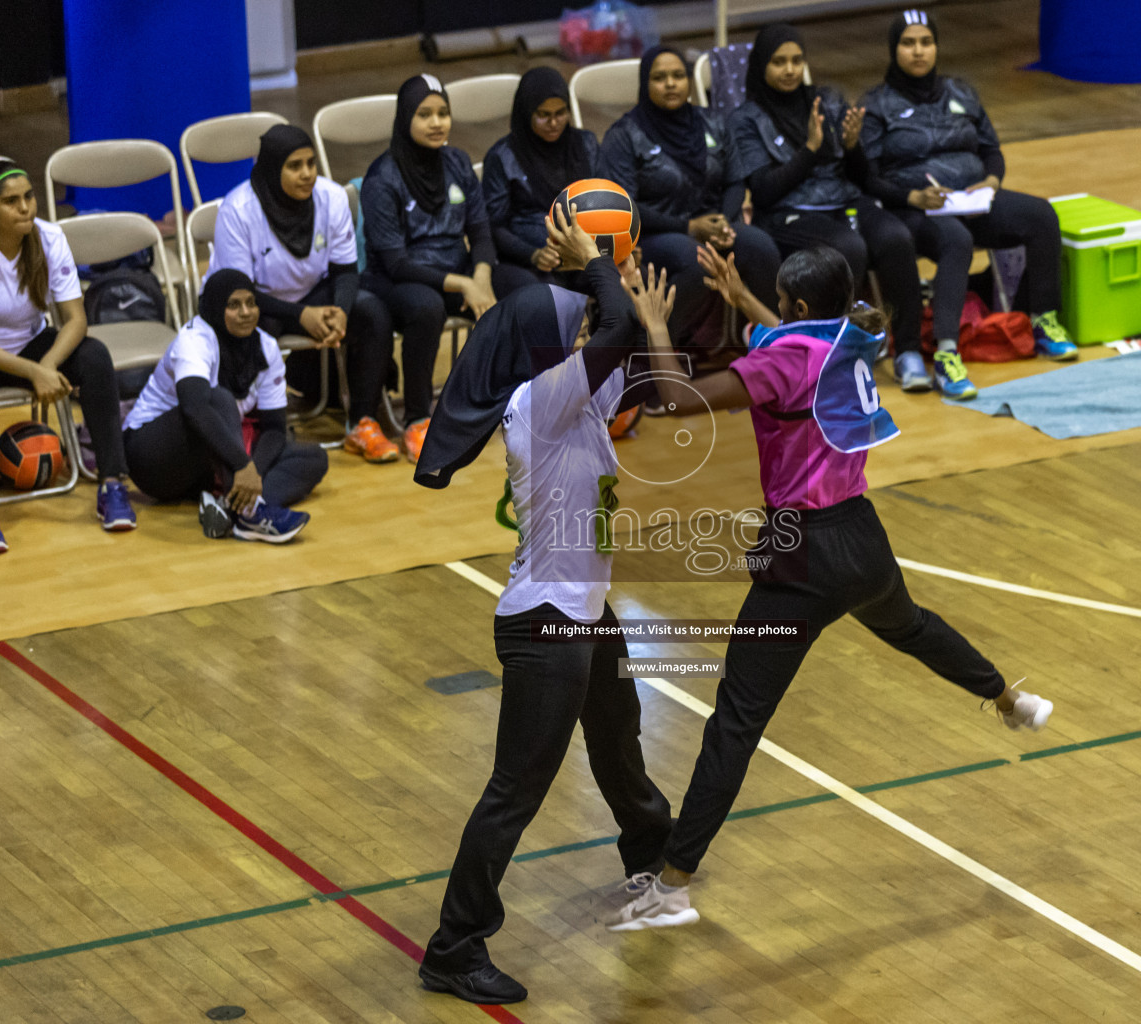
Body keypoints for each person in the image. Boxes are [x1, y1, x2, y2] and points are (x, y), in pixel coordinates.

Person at [609, 244, 1054, 930]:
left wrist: (656, 325)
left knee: (736, 722)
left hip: (803, 557)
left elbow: (677, 398)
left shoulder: (788, 356)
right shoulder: (854, 335)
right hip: (862, 539)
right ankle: (1008, 698)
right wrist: (745, 302)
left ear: (800, 308)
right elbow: (792, 342)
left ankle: (671, 887)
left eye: (782, 304)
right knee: (911, 627)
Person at [411, 210, 671, 1005]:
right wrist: (596, 263)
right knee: (515, 791)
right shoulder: (542, 402)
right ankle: (454, 948)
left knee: (621, 749)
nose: (588, 331)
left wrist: (643, 314)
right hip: (547, 622)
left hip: (584, 613)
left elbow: (657, 384)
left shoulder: (577, 398)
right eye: (576, 327)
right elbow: (614, 326)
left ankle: (649, 866)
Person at [0, 160, 136, 555]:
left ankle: (112, 484)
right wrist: (33, 371)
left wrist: (49, 365)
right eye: (10, 201)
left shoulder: (50, 238)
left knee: (94, 357)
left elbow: (76, 321)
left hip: (30, 343)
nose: (24, 208)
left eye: (29, 197)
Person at [860, 9, 1078, 399]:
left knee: (1041, 215)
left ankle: (1043, 319)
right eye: (908, 43)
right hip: (915, 209)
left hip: (971, 200)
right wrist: (912, 197)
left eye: (926, 42)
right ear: (894, 50)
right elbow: (867, 176)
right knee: (955, 240)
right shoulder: (877, 105)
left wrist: (991, 183)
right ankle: (946, 356)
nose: (918, 51)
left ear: (936, 47)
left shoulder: (961, 92)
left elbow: (992, 151)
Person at [727, 24, 921, 375]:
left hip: (843, 199)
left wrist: (852, 147)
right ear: (761, 66)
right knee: (849, 246)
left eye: (797, 61)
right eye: (779, 62)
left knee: (896, 238)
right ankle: (836, 350)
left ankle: (908, 351)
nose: (789, 70)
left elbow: (862, 178)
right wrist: (811, 150)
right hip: (788, 212)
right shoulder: (746, 119)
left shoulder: (827, 100)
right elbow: (765, 192)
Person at [210, 124, 398, 462]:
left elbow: (344, 271)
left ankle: (362, 421)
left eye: (311, 163)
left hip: (312, 293)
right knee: (252, 330)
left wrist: (339, 310)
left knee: (372, 312)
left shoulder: (332, 197)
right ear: (271, 168)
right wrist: (301, 316)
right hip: (252, 302)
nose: (307, 174)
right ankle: (261, 430)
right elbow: (239, 292)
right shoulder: (237, 210)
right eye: (295, 166)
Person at [598, 45, 781, 358]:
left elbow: (736, 180)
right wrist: (689, 226)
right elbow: (622, 207)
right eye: (660, 78)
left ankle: (774, 351)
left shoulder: (712, 122)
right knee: (695, 260)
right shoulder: (625, 135)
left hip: (712, 225)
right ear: (645, 84)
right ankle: (655, 362)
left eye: (678, 76)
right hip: (654, 234)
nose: (671, 84)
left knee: (761, 247)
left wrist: (724, 220)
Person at [122, 270, 320, 543]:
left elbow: (274, 428)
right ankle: (250, 514)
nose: (246, 312)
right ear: (215, 307)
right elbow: (195, 408)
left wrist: (252, 472)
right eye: (234, 305)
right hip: (152, 454)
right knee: (219, 399)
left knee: (313, 459)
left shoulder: (267, 347)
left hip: (208, 457)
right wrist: (242, 464)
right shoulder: (194, 339)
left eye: (251, 303)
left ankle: (229, 503)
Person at [363, 73, 498, 462]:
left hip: (456, 273)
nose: (437, 123)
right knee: (426, 307)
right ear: (405, 118)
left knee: (518, 289)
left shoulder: (457, 163)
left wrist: (483, 276)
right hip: (396, 280)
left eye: (443, 113)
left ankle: (499, 400)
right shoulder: (382, 176)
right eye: (425, 114)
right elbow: (396, 262)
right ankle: (418, 418)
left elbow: (482, 232)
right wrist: (464, 283)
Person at [481, 67, 599, 299]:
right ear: (526, 113)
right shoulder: (503, 157)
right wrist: (532, 254)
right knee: (551, 302)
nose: (554, 122)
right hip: (533, 260)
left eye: (561, 113)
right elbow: (494, 227)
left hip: (585, 251)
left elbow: (603, 200)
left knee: (630, 282)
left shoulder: (585, 144)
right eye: (544, 115)